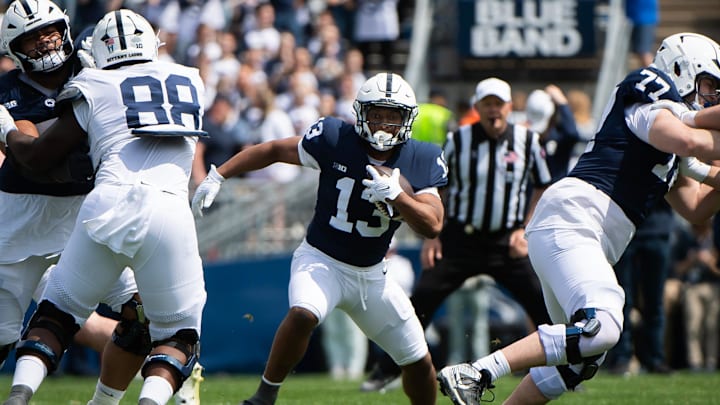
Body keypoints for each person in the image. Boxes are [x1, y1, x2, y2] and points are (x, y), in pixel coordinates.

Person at [436, 32, 720, 405]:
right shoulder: (647, 94)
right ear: (681, 69)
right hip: (574, 218)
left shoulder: (672, 141)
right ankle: (477, 372)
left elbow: (696, 206)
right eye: (709, 84)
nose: (713, 94)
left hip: (579, 232)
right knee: (601, 326)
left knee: (578, 359)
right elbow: (686, 139)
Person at [192, 72, 447, 405]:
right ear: (361, 114)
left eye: (393, 115)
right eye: (377, 113)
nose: (384, 123)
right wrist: (219, 173)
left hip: (373, 275)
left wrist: (398, 197)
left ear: (406, 119)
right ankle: (264, 396)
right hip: (321, 259)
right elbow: (273, 150)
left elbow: (433, 225)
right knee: (303, 313)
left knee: (418, 360)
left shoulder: (422, 156)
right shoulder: (334, 136)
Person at [1, 9, 207, 405]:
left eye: (49, 31)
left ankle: (93, 400)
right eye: (31, 37)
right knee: (4, 333)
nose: (44, 42)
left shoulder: (92, 77)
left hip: (94, 210)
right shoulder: (190, 77)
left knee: (89, 317)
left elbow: (39, 153)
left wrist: (8, 131)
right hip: (26, 214)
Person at [361, 77, 553, 392]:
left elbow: (542, 185)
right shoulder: (459, 140)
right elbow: (437, 187)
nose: (494, 110)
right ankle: (387, 370)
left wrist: (525, 229)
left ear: (509, 107)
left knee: (540, 302)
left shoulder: (528, 140)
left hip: (506, 240)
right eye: (487, 104)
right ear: (477, 108)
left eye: (498, 104)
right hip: (460, 238)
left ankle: (565, 369)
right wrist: (433, 236)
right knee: (421, 301)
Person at [607, 200, 675, 376]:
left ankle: (655, 359)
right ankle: (622, 359)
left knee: (654, 301)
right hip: (625, 230)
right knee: (622, 299)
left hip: (657, 229)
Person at [674, 216, 720, 372]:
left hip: (713, 285)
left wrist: (710, 262)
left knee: (711, 324)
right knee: (693, 323)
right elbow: (676, 269)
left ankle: (711, 362)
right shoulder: (685, 237)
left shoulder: (716, 239)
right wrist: (691, 260)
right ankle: (695, 362)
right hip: (692, 286)